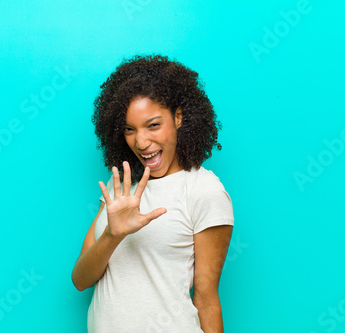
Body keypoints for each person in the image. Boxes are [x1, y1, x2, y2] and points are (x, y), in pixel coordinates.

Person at [72, 54, 234, 333]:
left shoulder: (203, 191)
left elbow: (206, 299)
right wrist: (113, 235)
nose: (142, 142)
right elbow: (81, 280)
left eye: (153, 125)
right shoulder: (120, 185)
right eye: (129, 130)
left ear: (179, 118)